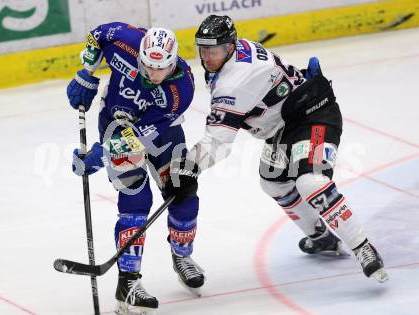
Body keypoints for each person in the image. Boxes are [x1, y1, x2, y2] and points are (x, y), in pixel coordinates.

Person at [166, 15, 389, 283]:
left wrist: (190, 167)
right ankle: (321, 237)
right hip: (284, 123)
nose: (208, 56)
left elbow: (217, 144)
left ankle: (363, 247)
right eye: (204, 49)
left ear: (230, 46)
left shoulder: (233, 82)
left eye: (214, 50)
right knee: (274, 183)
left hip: (313, 114)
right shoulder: (234, 56)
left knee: (311, 182)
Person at [67, 22, 205, 314]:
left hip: (160, 134)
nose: (153, 74)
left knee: (182, 193)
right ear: (140, 53)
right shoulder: (125, 39)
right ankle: (128, 284)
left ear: (174, 62)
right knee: (136, 201)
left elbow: (141, 137)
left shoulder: (181, 89)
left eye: (161, 69)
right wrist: (87, 73)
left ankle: (182, 255)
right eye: (147, 66)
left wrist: (101, 155)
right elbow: (98, 34)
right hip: (114, 127)